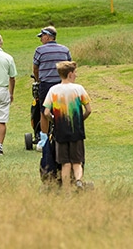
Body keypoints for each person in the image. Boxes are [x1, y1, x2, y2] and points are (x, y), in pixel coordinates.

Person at [43, 61, 91, 191]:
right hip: (76, 131)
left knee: (65, 163)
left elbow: (46, 112)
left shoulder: (53, 90)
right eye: (75, 73)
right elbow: (88, 110)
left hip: (60, 131)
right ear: (70, 74)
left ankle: (66, 190)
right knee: (77, 161)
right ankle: (79, 181)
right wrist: (80, 120)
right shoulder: (78, 89)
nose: (76, 75)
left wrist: (54, 120)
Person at [33, 26, 71, 150]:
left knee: (44, 112)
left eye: (42, 37)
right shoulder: (65, 50)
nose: (41, 40)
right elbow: (69, 67)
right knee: (62, 110)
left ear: (48, 37)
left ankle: (43, 140)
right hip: (62, 84)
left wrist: (38, 80)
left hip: (46, 85)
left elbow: (35, 68)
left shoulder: (40, 50)